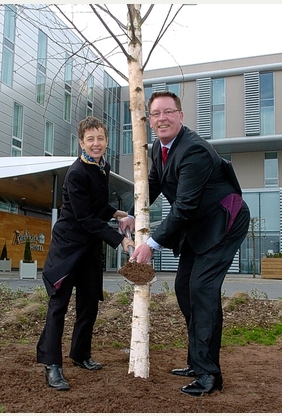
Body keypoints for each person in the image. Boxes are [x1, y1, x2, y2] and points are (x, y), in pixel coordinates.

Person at [119, 91, 250, 396]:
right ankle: (196, 361)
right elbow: (153, 184)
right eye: (156, 114)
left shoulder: (195, 151)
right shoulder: (158, 149)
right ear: (149, 120)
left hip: (223, 221)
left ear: (180, 115)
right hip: (198, 225)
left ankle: (209, 374)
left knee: (202, 289)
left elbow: (185, 206)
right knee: (184, 288)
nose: (162, 118)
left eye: (168, 112)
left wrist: (150, 243)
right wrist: (132, 213)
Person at [37, 116, 134, 391]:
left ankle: (80, 354)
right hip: (68, 246)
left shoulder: (103, 166)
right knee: (59, 305)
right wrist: (121, 241)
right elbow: (84, 218)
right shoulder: (76, 173)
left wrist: (116, 213)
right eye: (90, 139)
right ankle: (52, 365)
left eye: (100, 138)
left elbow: (97, 205)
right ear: (81, 142)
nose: (96, 143)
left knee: (89, 303)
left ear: (106, 140)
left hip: (90, 246)